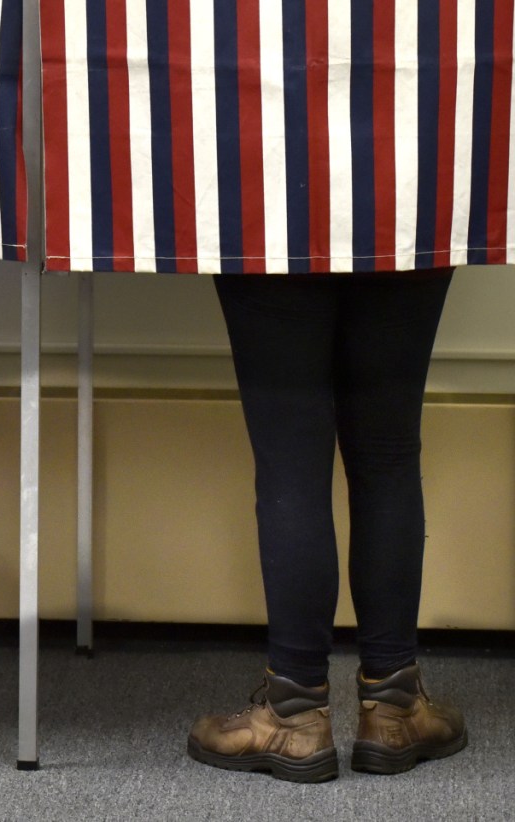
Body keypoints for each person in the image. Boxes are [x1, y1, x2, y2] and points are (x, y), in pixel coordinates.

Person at [187, 269, 467, 783]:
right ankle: (394, 709)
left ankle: (295, 718)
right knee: (388, 453)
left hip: (266, 201)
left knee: (290, 462)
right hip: (403, 196)